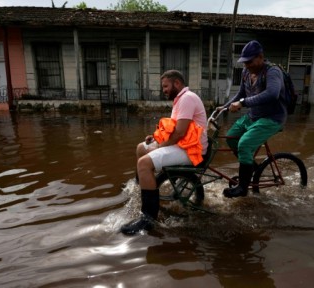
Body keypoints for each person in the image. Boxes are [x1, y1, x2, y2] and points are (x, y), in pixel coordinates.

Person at [120, 70, 209, 235]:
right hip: (183, 145)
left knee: (144, 163)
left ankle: (148, 219)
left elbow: (180, 133)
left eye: (165, 86)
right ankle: (143, 185)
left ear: (177, 83)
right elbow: (173, 129)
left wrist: (161, 146)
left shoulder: (187, 98)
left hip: (191, 150)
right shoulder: (180, 99)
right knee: (141, 148)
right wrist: (156, 138)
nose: (164, 90)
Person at [218, 40, 287, 198]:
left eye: (249, 61)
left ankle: (243, 187)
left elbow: (272, 93)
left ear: (260, 57)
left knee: (244, 144)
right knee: (231, 137)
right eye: (244, 62)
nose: (246, 65)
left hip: (272, 118)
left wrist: (243, 103)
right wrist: (224, 106)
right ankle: (253, 169)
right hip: (254, 116)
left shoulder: (272, 71)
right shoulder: (246, 72)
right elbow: (241, 93)